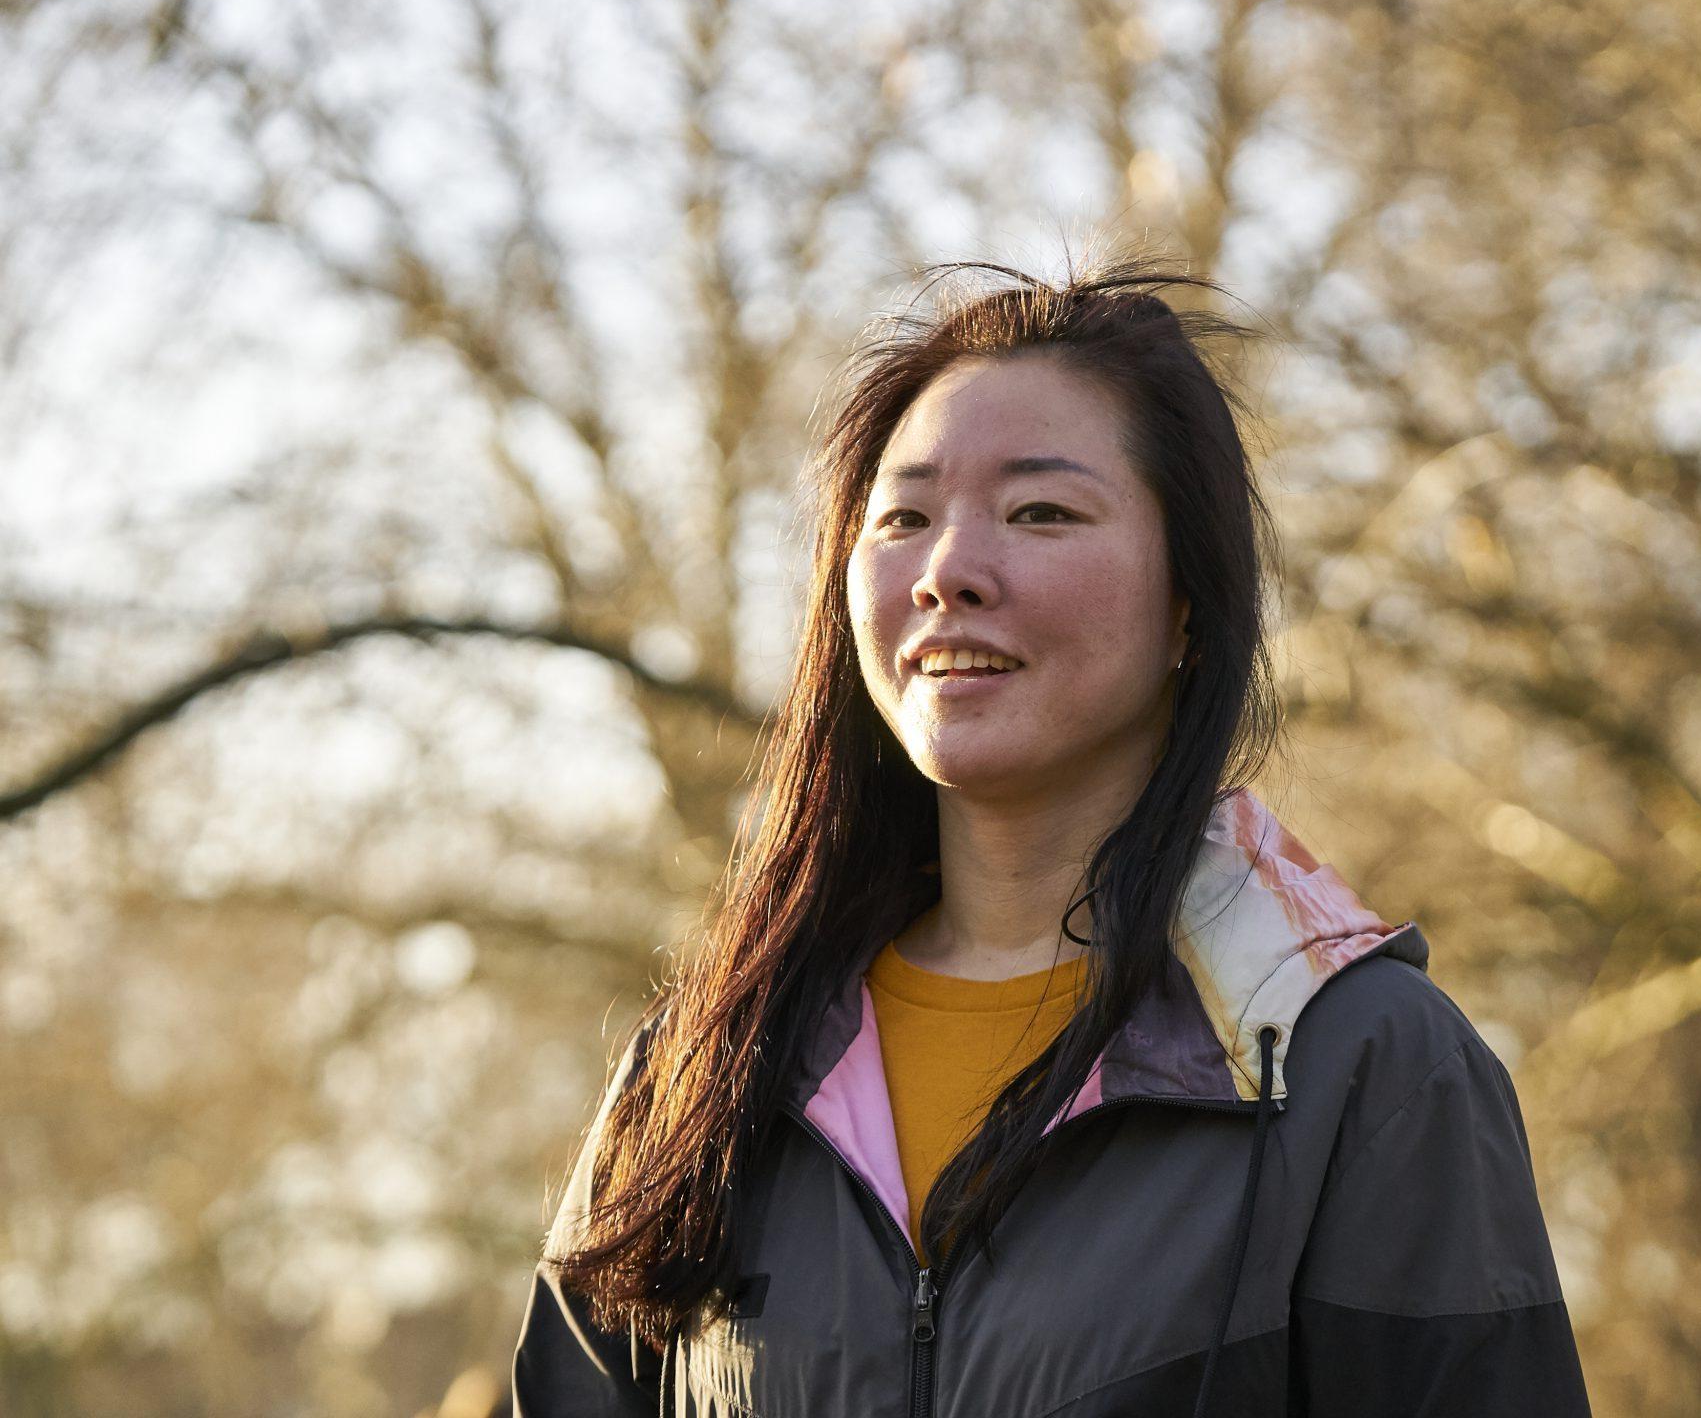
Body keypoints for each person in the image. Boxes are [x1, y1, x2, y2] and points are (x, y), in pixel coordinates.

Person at [509, 256, 1594, 1416]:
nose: (946, 573)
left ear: (1188, 600)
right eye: (904, 517)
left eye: (1040, 512)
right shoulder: (703, 1067)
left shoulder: (1359, 1066)